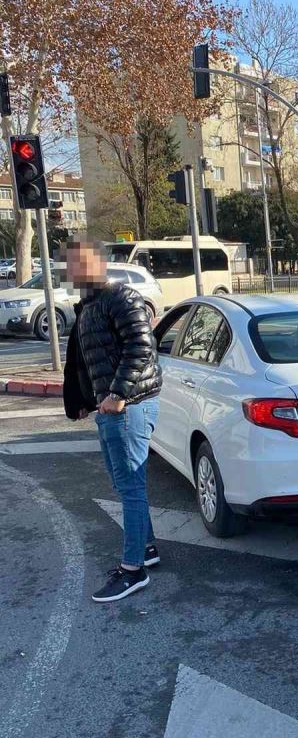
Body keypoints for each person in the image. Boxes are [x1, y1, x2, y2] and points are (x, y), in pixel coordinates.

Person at [62, 235, 162, 603]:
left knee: (131, 488)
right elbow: (90, 360)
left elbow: (140, 346)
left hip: (129, 407)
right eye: (71, 264)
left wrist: (118, 395)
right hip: (110, 408)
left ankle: (133, 570)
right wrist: (89, 400)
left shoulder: (121, 297)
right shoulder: (91, 305)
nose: (76, 270)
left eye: (82, 262)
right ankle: (147, 548)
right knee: (125, 486)